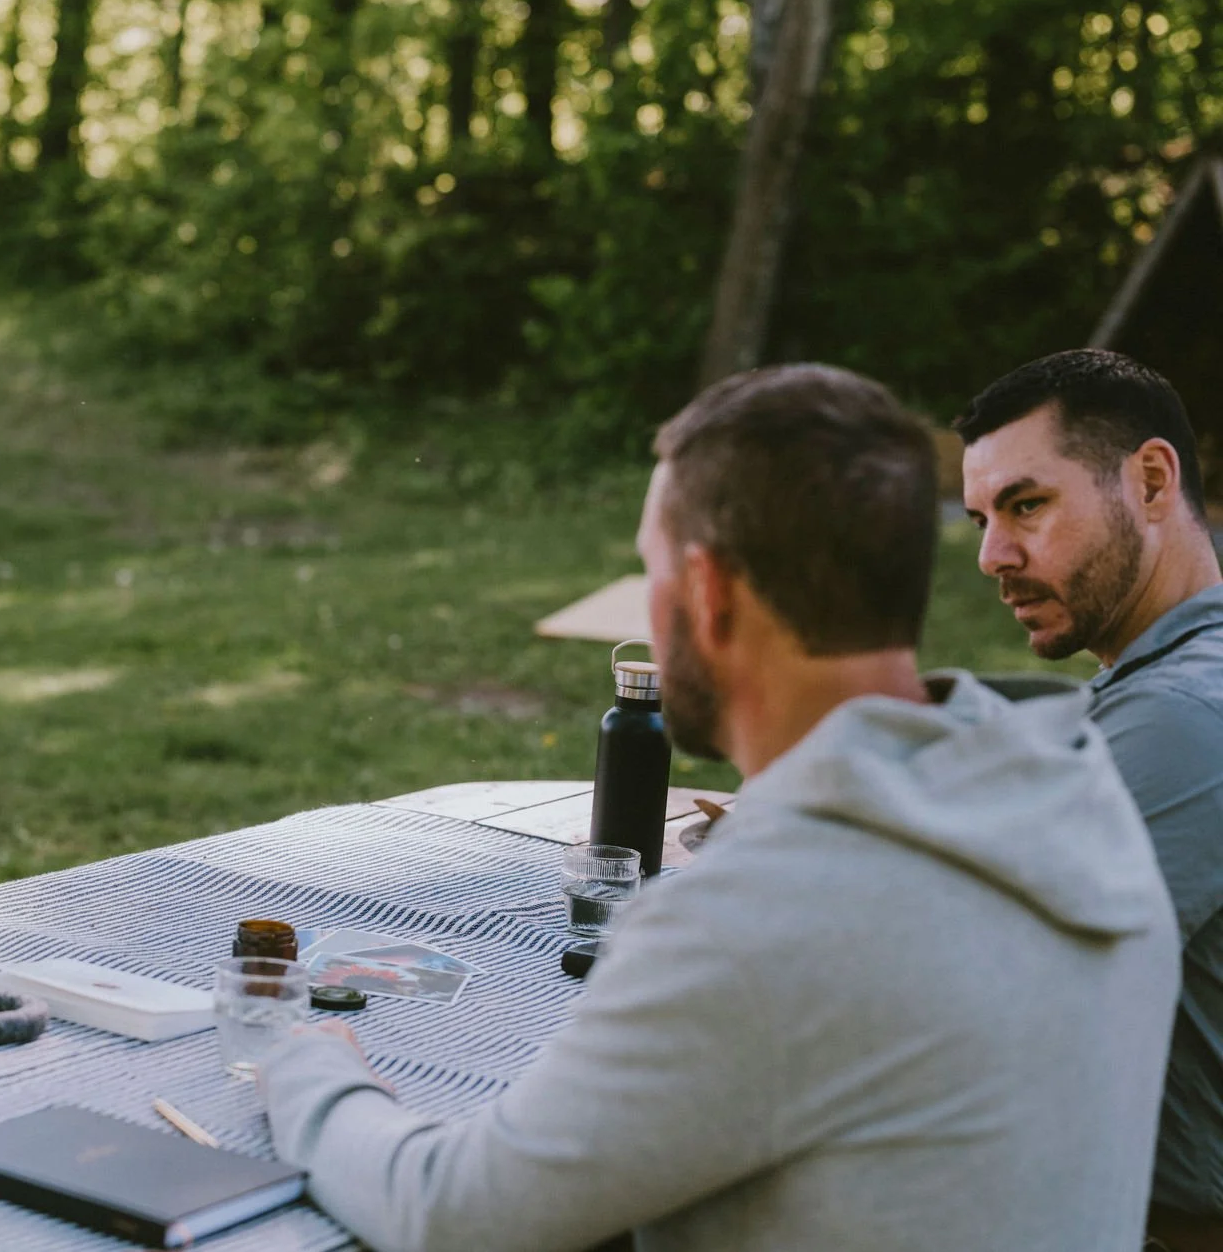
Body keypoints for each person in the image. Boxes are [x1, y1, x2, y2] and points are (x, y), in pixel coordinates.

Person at [260, 364, 1178, 1251]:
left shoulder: (770, 913)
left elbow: (452, 1216)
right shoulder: (1069, 785)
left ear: (705, 591)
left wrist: (313, 1068)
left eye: (650, 573)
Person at [957, 349, 1223, 1247]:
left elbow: (976, 998)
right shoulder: (1175, 674)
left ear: (1150, 480)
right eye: (983, 518)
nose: (994, 555)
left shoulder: (1182, 714)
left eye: (1027, 504)